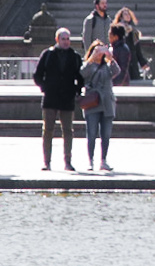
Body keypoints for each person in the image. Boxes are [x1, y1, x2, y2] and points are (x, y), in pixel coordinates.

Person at [34, 27, 84, 172]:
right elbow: (37, 75)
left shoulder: (74, 56)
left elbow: (80, 77)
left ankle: (68, 161)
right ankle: (47, 162)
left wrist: (77, 90)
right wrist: (44, 88)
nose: (66, 42)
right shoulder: (48, 54)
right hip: (50, 98)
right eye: (63, 39)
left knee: (68, 131)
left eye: (68, 39)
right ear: (57, 40)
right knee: (48, 130)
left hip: (67, 98)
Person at [78, 40, 119, 172]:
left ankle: (104, 160)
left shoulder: (107, 65)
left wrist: (110, 57)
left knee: (106, 134)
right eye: (97, 50)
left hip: (107, 102)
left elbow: (117, 71)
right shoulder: (89, 65)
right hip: (93, 103)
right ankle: (90, 161)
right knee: (91, 133)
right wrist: (91, 59)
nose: (100, 53)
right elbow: (81, 74)